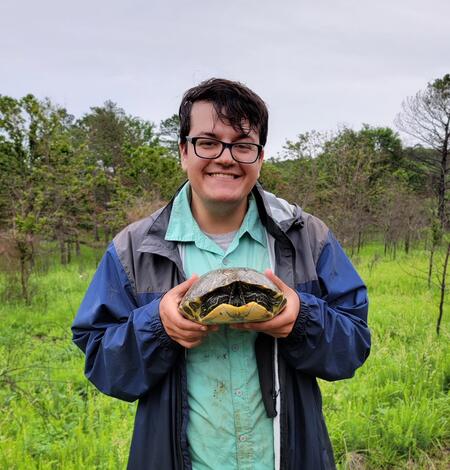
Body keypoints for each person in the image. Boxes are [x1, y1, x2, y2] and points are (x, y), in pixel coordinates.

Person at [72, 78, 371, 470]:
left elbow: (354, 345)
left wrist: (302, 319)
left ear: (260, 157)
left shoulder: (306, 238)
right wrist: (158, 327)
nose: (226, 157)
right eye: (208, 142)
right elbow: (101, 362)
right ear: (183, 151)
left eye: (243, 145)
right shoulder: (134, 250)